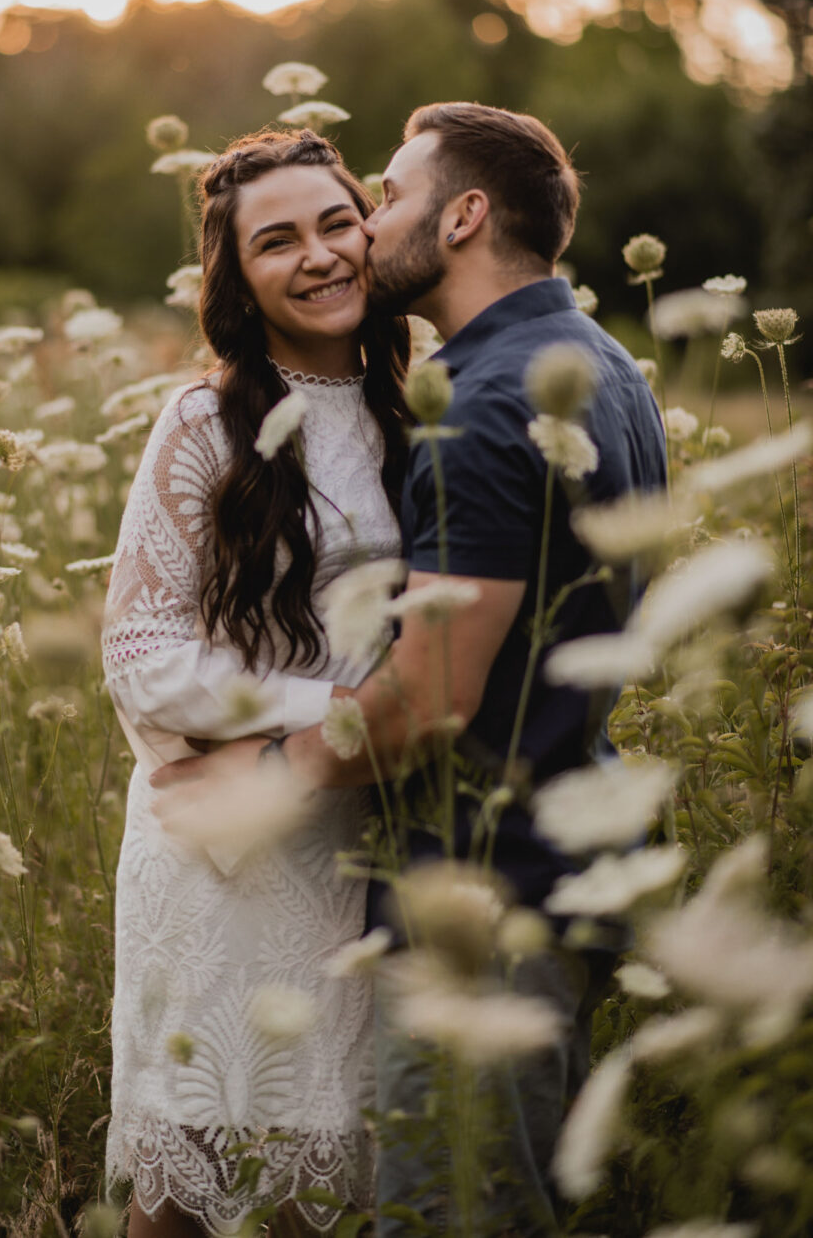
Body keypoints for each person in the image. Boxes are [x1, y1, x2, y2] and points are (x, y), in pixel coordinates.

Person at [152, 102, 668, 1235]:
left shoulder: (483, 406)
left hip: (483, 895)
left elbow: (428, 699)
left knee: (451, 1209)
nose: (369, 227)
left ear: (466, 213)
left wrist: (263, 771)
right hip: (556, 860)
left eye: (385, 197)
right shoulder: (598, 362)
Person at [101, 128, 411, 1237]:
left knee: (319, 1188)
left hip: (357, 840)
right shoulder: (203, 421)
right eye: (277, 241)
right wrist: (325, 714)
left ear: (371, 227)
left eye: (336, 222)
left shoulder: (404, 412)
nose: (320, 254)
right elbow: (138, 651)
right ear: (239, 277)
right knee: (191, 1184)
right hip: (227, 846)